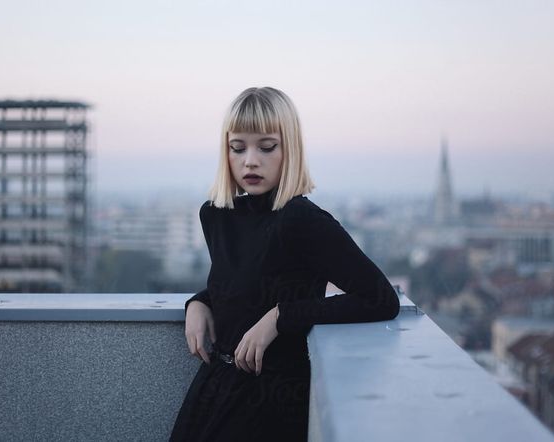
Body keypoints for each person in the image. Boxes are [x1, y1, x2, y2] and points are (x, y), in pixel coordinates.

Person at [169, 87, 400, 441]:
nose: (250, 161)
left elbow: (380, 299)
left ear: (289, 149)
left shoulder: (302, 219)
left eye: (266, 147)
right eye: (237, 148)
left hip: (270, 404)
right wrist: (200, 302)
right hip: (215, 390)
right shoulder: (216, 215)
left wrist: (281, 317)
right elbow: (248, 282)